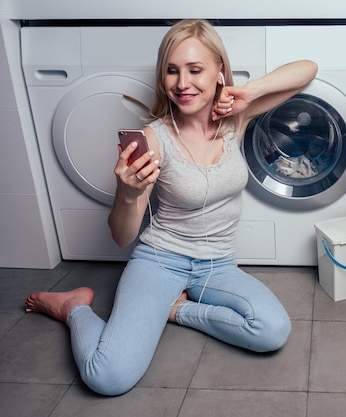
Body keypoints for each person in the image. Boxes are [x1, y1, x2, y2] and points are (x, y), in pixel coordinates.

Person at [24, 19, 318, 396]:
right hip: (160, 261)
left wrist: (247, 91)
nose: (183, 83)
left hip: (218, 265)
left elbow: (308, 69)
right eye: (172, 70)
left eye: (196, 70)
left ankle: (176, 310)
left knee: (272, 330)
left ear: (218, 73)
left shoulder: (236, 119)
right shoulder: (154, 139)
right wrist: (127, 194)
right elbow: (121, 237)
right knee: (106, 377)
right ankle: (73, 307)